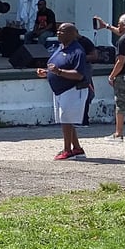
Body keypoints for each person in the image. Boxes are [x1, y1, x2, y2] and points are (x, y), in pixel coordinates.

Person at [36, 22, 88, 160]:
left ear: (72, 34)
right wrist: (46, 73)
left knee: (66, 119)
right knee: (67, 120)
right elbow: (55, 67)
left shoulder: (77, 51)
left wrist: (58, 72)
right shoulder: (60, 48)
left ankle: (67, 151)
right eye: (58, 30)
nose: (58, 33)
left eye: (62, 31)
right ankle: (77, 149)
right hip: (59, 90)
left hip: (72, 90)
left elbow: (79, 74)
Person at [93, 12, 125, 141]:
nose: (118, 26)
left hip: (123, 76)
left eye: (119, 24)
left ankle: (118, 134)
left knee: (120, 105)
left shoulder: (123, 41)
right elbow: (121, 32)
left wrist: (112, 76)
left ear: (124, 25)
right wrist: (107, 26)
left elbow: (120, 61)